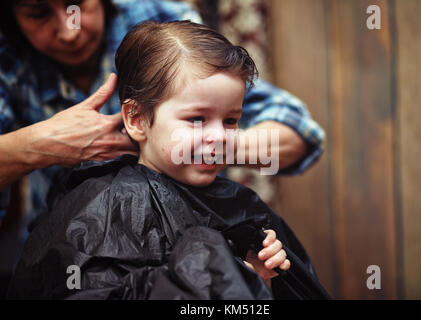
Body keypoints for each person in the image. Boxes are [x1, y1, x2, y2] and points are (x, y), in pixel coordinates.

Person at [0, 0, 325, 292]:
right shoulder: (97, 213)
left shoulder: (162, 22)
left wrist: (253, 279)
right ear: (136, 119)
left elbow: (303, 134)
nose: (69, 31)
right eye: (196, 119)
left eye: (230, 121)